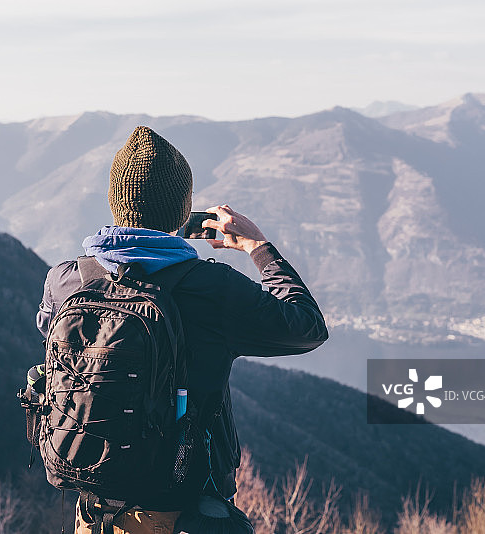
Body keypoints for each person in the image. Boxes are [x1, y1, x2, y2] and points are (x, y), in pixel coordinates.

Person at [36, 125, 328, 534]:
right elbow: (308, 327)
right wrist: (256, 246)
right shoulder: (212, 290)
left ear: (116, 204)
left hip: (94, 513)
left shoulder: (66, 280)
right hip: (178, 518)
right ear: (182, 209)